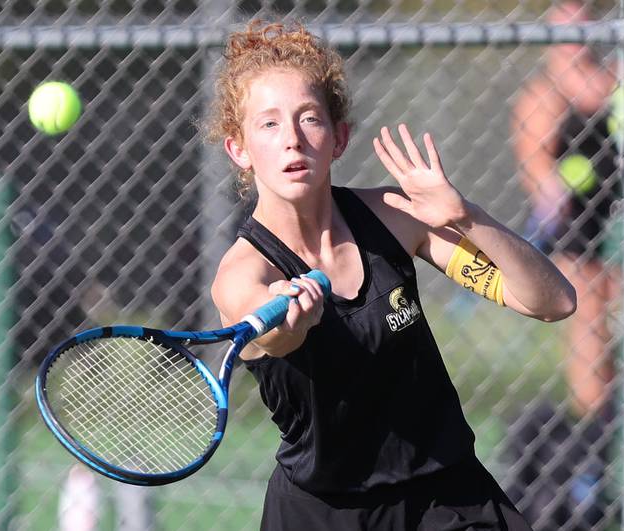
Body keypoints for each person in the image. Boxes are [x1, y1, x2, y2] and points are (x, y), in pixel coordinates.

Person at [203, 20, 576, 530]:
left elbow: (552, 302)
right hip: (325, 512)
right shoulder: (242, 274)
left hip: (448, 497)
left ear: (338, 138)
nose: (291, 139)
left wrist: (466, 216)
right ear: (239, 150)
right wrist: (294, 322)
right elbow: (275, 337)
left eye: (308, 118)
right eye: (268, 124)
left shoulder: (394, 219)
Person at [509, 2, 622, 527]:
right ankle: (592, 472)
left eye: (582, 18)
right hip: (581, 246)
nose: (574, 31)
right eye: (563, 21)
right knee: (591, 334)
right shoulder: (543, 99)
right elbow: (541, 177)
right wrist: (550, 185)